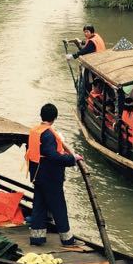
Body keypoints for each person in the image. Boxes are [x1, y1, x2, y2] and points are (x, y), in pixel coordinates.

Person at [25, 103, 82, 246]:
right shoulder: (48, 134)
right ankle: (67, 239)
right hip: (50, 177)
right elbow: (53, 156)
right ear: (55, 118)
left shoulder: (34, 131)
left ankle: (37, 238)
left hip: (37, 175)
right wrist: (72, 158)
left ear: (41, 116)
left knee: (39, 205)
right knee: (59, 207)